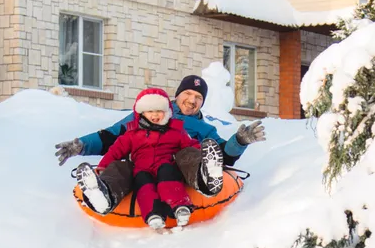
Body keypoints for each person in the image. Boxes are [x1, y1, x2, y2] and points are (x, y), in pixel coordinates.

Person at [56, 73, 266, 213]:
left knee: (188, 154)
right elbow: (114, 136)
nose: (192, 101)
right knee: (122, 166)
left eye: (198, 97)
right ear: (178, 95)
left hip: (178, 171)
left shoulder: (205, 129)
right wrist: (81, 145)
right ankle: (105, 194)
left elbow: (222, 155)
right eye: (188, 94)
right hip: (142, 168)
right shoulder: (151, 112)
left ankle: (204, 179)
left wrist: (239, 141)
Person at [77, 88, 200, 229]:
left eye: (159, 111)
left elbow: (191, 145)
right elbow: (115, 151)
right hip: (142, 169)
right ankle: (151, 214)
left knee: (168, 176)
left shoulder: (176, 131)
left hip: (166, 165)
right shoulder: (132, 133)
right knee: (143, 185)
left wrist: (200, 159)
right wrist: (103, 166)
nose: (155, 115)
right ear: (141, 113)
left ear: (167, 112)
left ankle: (180, 206)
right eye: (150, 111)